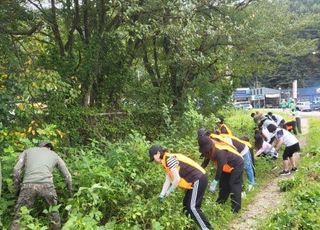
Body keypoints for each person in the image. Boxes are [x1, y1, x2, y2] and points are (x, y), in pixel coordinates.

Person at [148, 146, 212, 230]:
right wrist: (161, 194)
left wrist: (169, 191)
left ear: (158, 153)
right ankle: (190, 226)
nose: (154, 161)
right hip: (194, 181)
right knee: (186, 206)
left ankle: (207, 229)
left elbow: (177, 179)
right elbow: (168, 180)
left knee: (192, 207)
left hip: (198, 179)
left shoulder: (169, 159)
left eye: (153, 158)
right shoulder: (166, 161)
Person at [12, 141, 73, 230]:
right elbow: (67, 176)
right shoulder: (54, 154)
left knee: (20, 216)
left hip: (28, 185)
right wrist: (70, 192)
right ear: (49, 148)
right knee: (53, 214)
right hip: (47, 186)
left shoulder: (27, 151)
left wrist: (17, 188)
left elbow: (16, 169)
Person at [198, 135, 244, 213]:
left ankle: (235, 209)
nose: (205, 153)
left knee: (233, 184)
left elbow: (220, 168)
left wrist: (215, 181)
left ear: (209, 148)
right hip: (227, 166)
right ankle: (220, 203)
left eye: (205, 151)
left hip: (237, 164)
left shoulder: (220, 152)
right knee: (223, 184)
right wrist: (199, 171)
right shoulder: (209, 150)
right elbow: (205, 162)